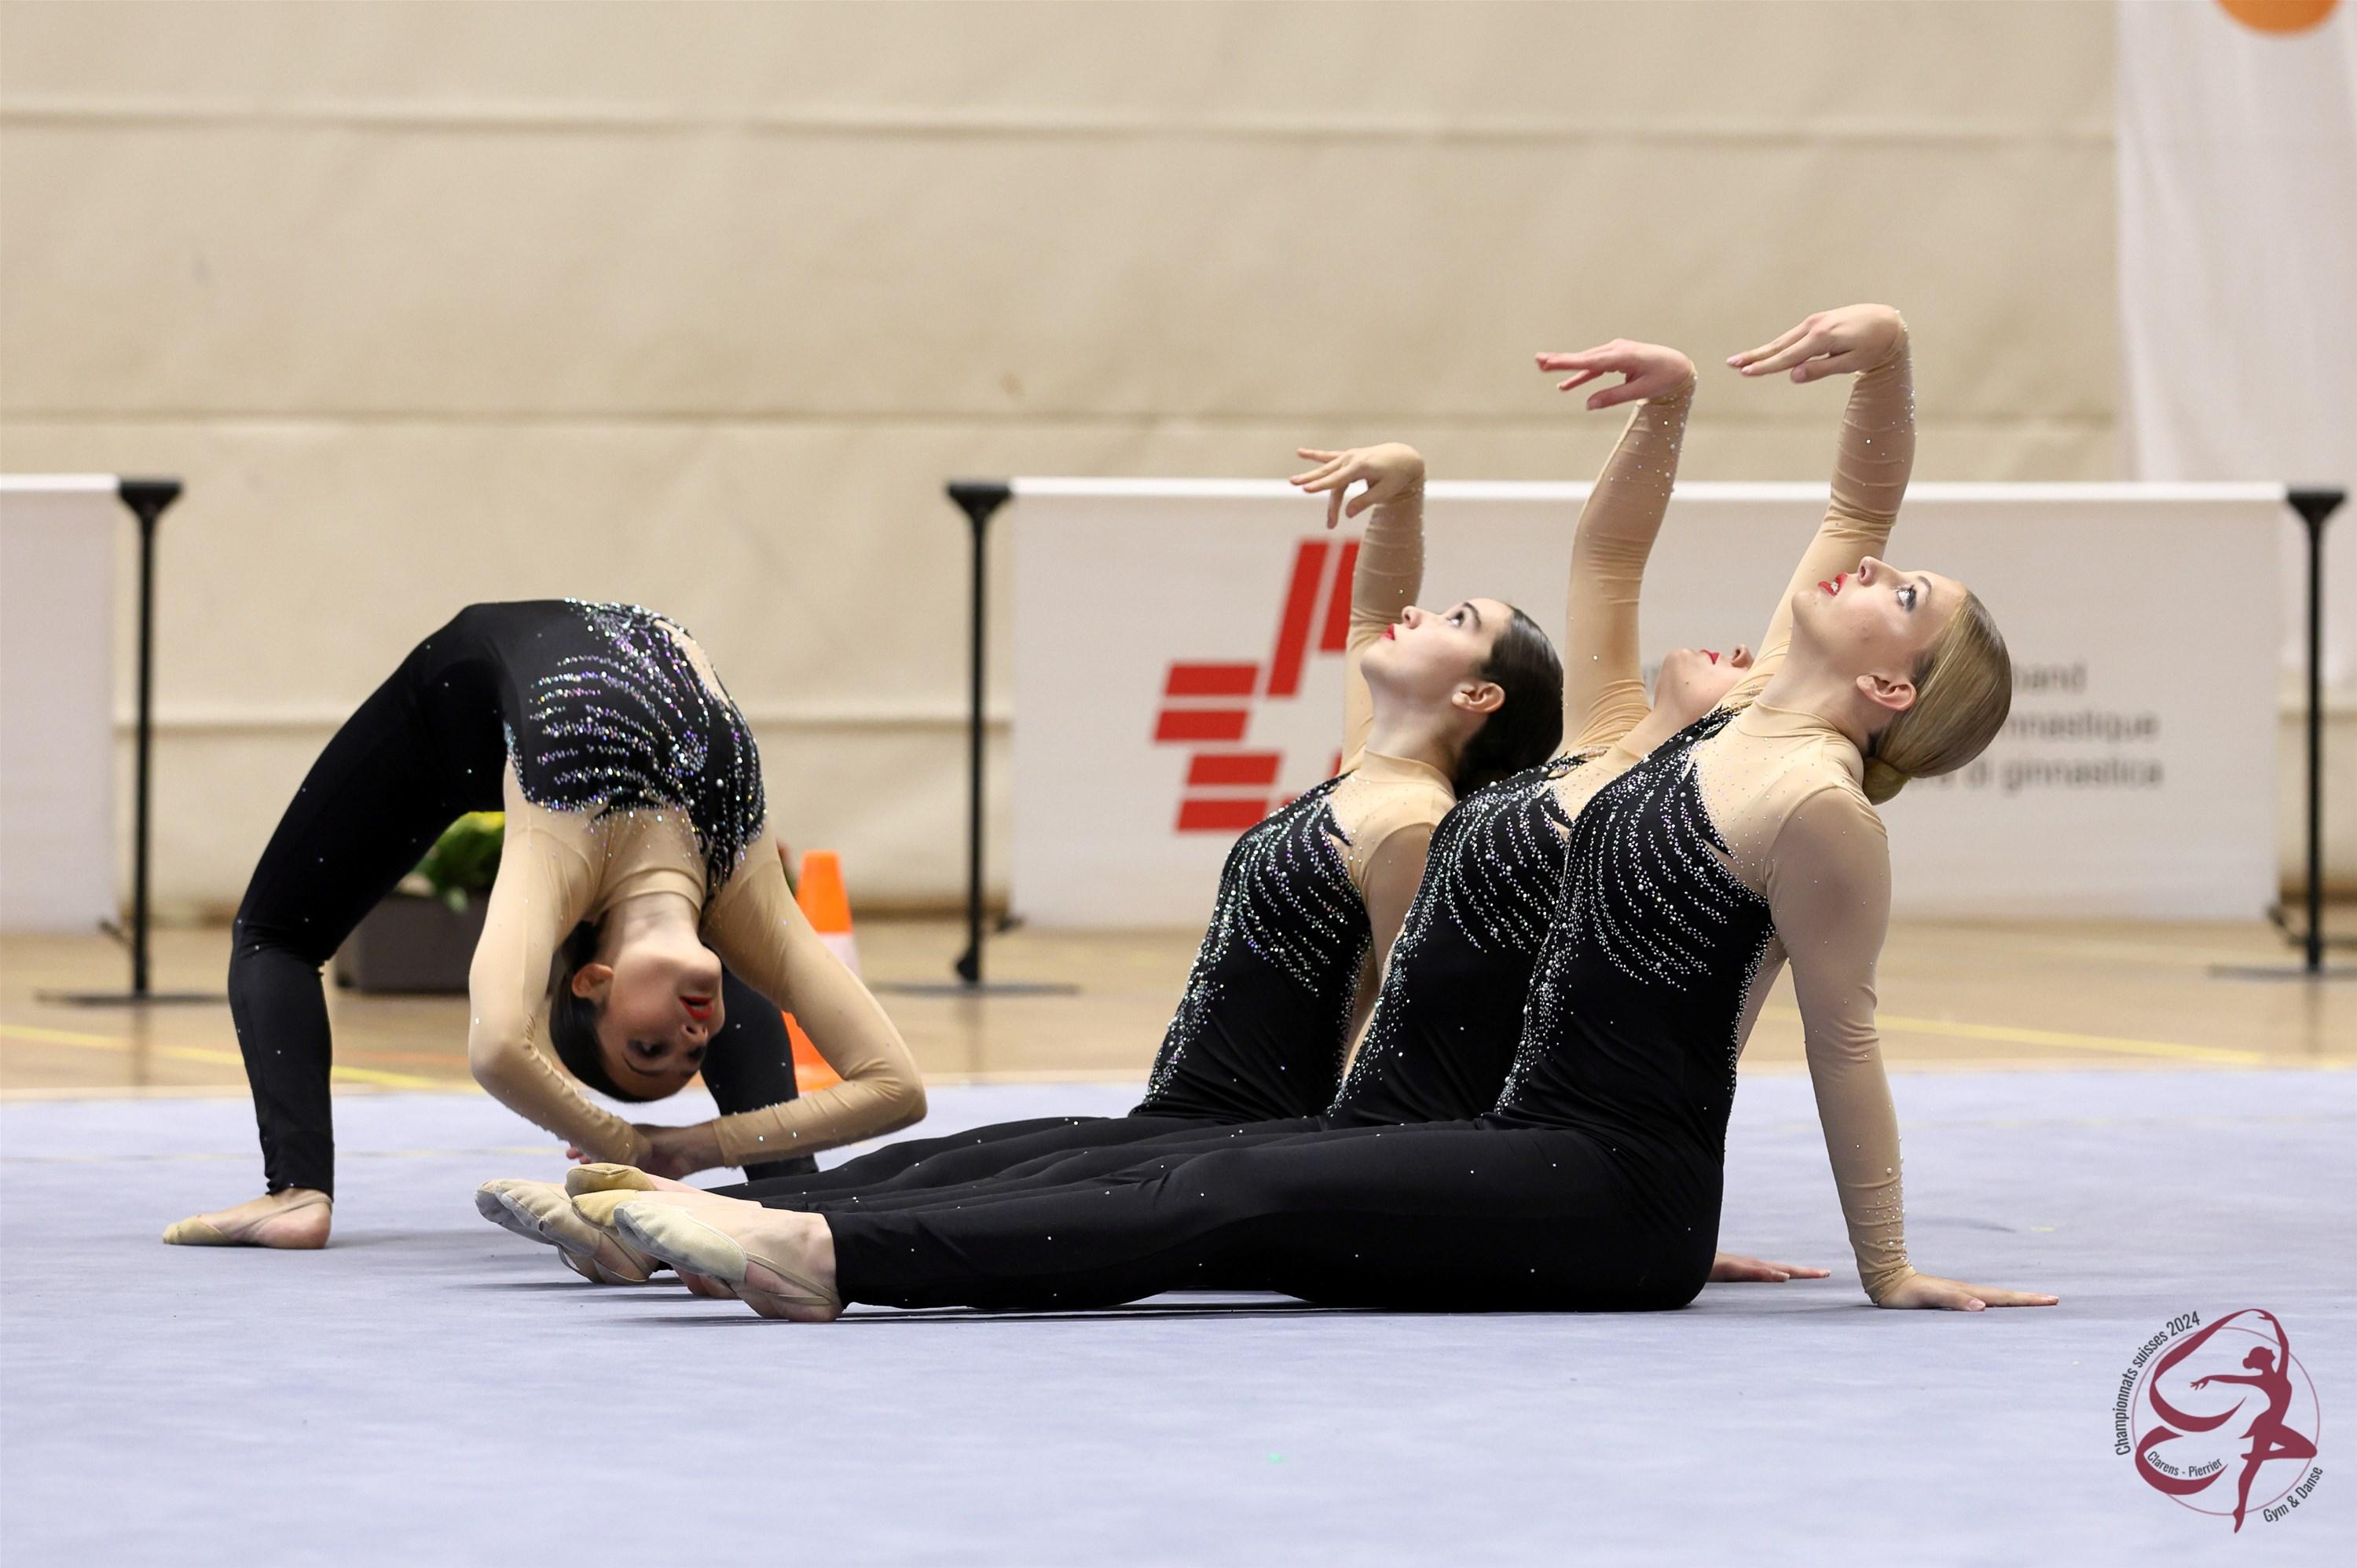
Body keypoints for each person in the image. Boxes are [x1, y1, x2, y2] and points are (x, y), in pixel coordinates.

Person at [584, 305, 2059, 1320]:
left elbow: (1841, 1037)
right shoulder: (1729, 733)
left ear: (1892, 689)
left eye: (1903, 594)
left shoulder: (1821, 810)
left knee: (1233, 1185)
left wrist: (1888, 1266)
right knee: (1207, 1166)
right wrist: (1872, 356)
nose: (1867, 568)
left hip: (1617, 1189)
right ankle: (799, 1230)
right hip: (1528, 1147)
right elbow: (1790, 517)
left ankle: (826, 1254)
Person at [482, 439, 1572, 1278]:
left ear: (1479, 695)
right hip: (1188, 1104)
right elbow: (1375, 607)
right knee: (954, 1156)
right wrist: (1404, 485)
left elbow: (1421, 1019)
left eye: (1457, 618)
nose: (1416, 614)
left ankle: (706, 1233)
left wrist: (1375, 1174)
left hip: (1255, 1123)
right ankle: (661, 1220)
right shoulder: (1368, 773)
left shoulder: (1414, 825)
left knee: (1002, 1179)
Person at [163, 600, 926, 1254]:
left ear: (593, 981)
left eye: (648, 1048)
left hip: (450, 720)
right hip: (534, 704)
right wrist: (685, 1149)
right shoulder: (744, 900)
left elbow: (498, 1045)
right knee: (715, 960)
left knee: (276, 932)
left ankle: (296, 1190)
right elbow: (900, 1088)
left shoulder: (562, 847)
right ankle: (783, 1192)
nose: (691, 1035)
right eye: (690, 1052)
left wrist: (641, 1149)